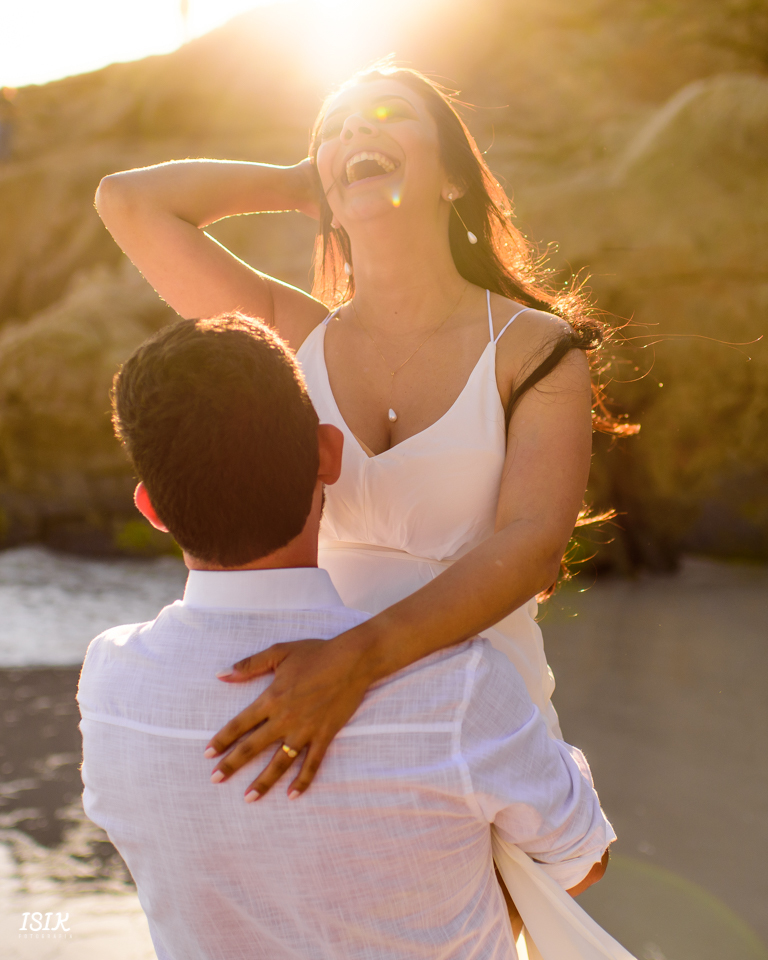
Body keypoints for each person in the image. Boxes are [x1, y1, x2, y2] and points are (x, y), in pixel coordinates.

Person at [95, 63, 620, 805]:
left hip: (482, 733)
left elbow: (531, 544)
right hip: (321, 727)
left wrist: (355, 659)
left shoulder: (535, 349)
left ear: (453, 179)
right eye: (335, 129)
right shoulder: (292, 336)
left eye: (388, 114)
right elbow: (127, 202)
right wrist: (301, 182)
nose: (356, 130)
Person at [78, 314, 614, 959]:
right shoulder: (458, 688)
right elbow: (582, 859)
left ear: (152, 509)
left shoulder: (110, 683)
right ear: (329, 455)